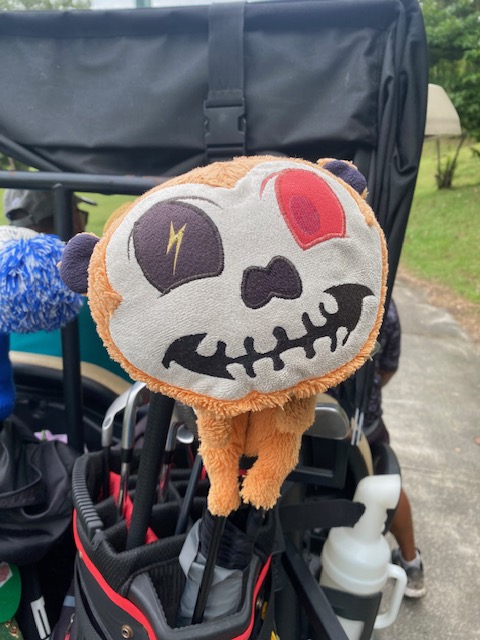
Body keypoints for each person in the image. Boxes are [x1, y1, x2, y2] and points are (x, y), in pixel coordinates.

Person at [329, 298, 426, 598]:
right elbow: (387, 369)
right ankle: (411, 561)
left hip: (305, 418)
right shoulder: (384, 305)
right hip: (360, 422)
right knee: (386, 483)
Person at [3, 188, 132, 389]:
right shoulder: (107, 295)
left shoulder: (6, 293)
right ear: (71, 218)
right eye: (79, 214)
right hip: (105, 402)